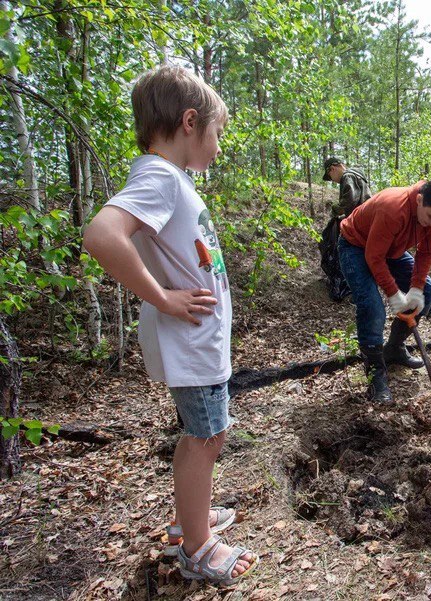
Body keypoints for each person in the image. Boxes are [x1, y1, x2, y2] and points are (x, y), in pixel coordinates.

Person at [83, 66, 257, 585]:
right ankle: (198, 546)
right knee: (207, 437)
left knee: (204, 434)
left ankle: (191, 519)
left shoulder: (169, 178)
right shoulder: (159, 176)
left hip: (199, 342)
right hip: (192, 343)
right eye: (217, 133)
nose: (219, 147)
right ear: (189, 122)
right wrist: (161, 297)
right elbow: (101, 235)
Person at [338, 178, 431, 402]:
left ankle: (393, 349)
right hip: (355, 245)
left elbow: (426, 252)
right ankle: (375, 377)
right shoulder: (393, 208)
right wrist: (393, 293)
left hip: (390, 249)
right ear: (419, 200)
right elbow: (374, 257)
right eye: (430, 217)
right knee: (373, 308)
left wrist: (416, 288)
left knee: (428, 291)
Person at [319, 158, 373, 301]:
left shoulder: (347, 176)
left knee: (351, 258)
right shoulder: (359, 176)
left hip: (359, 227)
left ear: (332, 169)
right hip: (369, 224)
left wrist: (336, 209)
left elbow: (350, 198)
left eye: (330, 177)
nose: (333, 180)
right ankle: (363, 293)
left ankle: (356, 294)